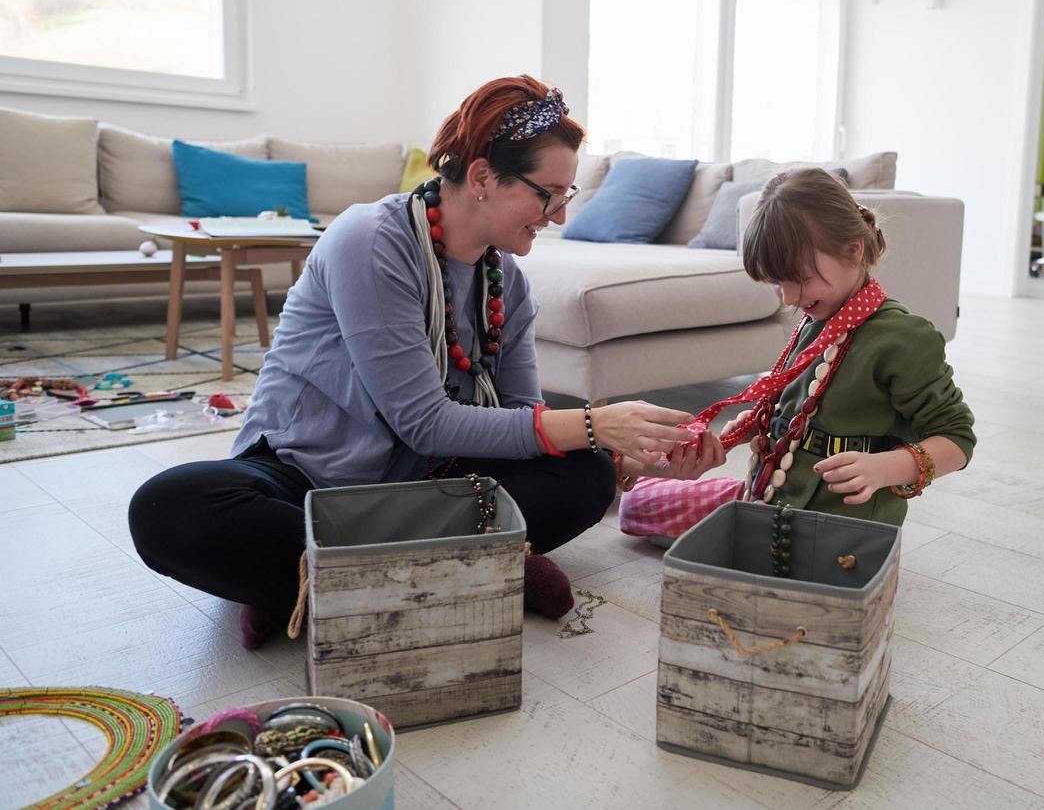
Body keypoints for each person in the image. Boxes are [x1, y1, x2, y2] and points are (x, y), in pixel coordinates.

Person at [129, 75, 723, 648]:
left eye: (567, 196)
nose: (559, 216)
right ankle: (482, 570)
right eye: (549, 194)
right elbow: (423, 421)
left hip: (423, 483)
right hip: (303, 476)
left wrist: (630, 461)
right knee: (169, 509)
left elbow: (521, 419)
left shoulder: (505, 283)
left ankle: (312, 581)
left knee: (585, 473)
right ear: (484, 177)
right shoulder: (370, 239)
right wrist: (595, 423)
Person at [618, 167, 974, 539]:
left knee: (675, 523)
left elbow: (958, 439)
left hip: (833, 526)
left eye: (799, 280)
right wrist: (746, 429)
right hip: (770, 498)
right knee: (638, 502)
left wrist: (885, 468)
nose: (788, 298)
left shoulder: (903, 337)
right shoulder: (819, 316)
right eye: (775, 283)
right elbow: (804, 408)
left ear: (853, 250)